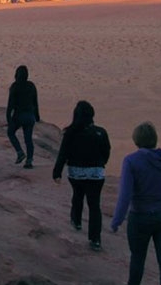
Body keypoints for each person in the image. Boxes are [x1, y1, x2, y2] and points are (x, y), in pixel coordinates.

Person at [111, 122, 161, 285]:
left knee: (137, 260)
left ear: (136, 140)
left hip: (140, 217)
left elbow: (125, 195)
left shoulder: (131, 161)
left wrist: (117, 221)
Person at [52, 101, 111, 252]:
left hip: (76, 173)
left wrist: (57, 172)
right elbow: (106, 152)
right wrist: (100, 163)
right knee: (94, 205)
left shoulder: (70, 133)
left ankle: (76, 220)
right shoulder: (100, 132)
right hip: (96, 173)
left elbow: (63, 153)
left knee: (78, 195)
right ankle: (95, 239)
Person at [6, 65, 39, 168]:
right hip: (30, 115)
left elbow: (10, 104)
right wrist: (37, 116)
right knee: (28, 139)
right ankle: (29, 161)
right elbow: (35, 102)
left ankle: (20, 152)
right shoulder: (31, 86)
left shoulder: (15, 86)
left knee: (10, 132)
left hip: (19, 116)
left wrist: (9, 118)